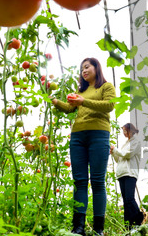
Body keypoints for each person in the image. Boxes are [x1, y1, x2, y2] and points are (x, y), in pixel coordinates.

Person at [52, 57, 115, 236]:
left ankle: (98, 229)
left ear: (96, 67)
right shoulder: (81, 91)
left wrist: (83, 102)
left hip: (99, 135)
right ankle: (78, 227)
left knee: (97, 181)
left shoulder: (106, 87)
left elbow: (109, 105)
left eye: (87, 67)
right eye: (82, 69)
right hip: (78, 137)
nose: (84, 71)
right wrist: (56, 102)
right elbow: (70, 108)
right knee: (79, 182)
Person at [111, 123, 145, 229]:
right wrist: (113, 153)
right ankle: (128, 226)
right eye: (123, 131)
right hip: (122, 173)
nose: (124, 133)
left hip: (130, 173)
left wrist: (116, 150)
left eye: (125, 131)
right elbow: (119, 159)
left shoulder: (136, 142)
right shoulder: (126, 143)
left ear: (131, 131)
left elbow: (127, 154)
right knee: (125, 201)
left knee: (130, 199)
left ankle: (139, 218)